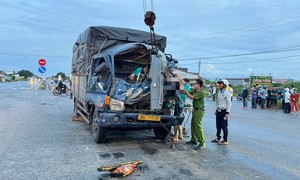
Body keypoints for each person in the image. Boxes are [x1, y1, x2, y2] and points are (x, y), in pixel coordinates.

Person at [183, 79, 206, 150]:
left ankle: (202, 143)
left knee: (198, 125)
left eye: (196, 84)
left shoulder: (201, 92)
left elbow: (191, 97)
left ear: (199, 85)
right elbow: (186, 92)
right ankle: (193, 139)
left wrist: (186, 92)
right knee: (193, 125)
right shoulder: (194, 91)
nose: (195, 85)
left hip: (199, 111)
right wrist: (181, 88)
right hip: (195, 110)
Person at [211, 79, 232, 145]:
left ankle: (225, 140)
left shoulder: (227, 93)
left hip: (224, 111)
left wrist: (227, 113)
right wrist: (216, 110)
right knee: (218, 125)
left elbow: (229, 104)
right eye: (218, 83)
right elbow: (219, 102)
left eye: (220, 84)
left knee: (224, 126)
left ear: (224, 85)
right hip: (219, 111)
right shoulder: (219, 92)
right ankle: (218, 138)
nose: (219, 85)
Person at [173, 75, 191, 142]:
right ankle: (180, 135)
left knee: (175, 121)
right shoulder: (187, 87)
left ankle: (176, 136)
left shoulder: (185, 87)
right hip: (181, 105)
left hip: (179, 104)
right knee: (179, 121)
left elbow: (180, 83)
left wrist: (178, 77)